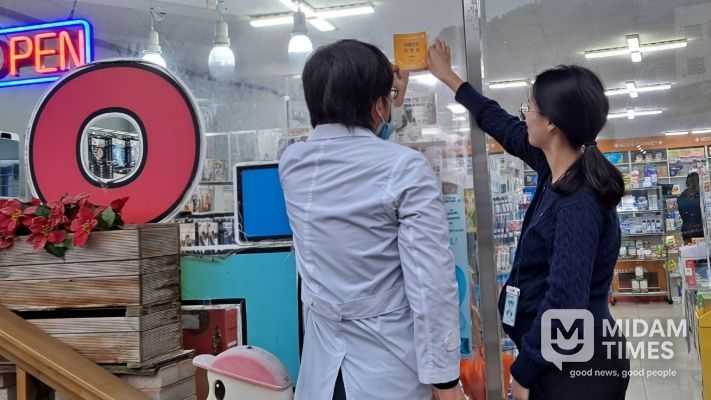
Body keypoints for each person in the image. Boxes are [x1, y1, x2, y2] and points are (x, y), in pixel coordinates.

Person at [428, 40, 630, 400]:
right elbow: (500, 123)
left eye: (528, 108)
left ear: (551, 122)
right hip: (559, 356)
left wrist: (523, 372)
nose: (524, 116)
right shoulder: (554, 168)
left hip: (577, 368)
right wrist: (451, 79)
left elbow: (566, 304)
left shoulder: (579, 203)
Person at [279, 39, 465, 400]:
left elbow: (353, 155)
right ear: (379, 105)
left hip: (322, 371)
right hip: (388, 365)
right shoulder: (407, 169)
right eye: (387, 98)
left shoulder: (292, 165)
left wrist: (388, 101)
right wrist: (445, 379)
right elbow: (430, 281)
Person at [678, 172, 703, 244]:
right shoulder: (702, 194)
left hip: (687, 231)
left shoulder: (683, 195)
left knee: (689, 249)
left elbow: (681, 212)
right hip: (701, 231)